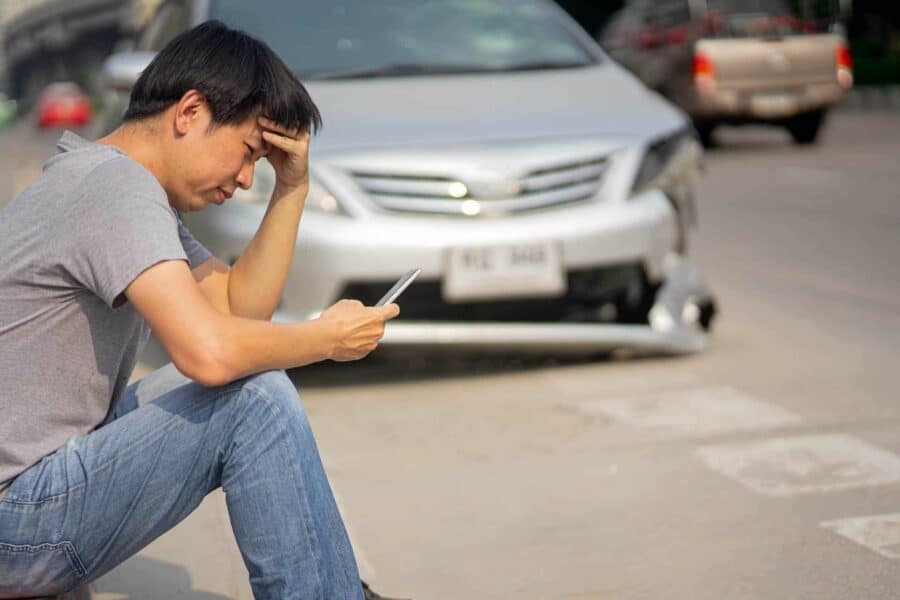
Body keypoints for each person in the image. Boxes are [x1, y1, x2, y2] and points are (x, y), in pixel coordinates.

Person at [0, 21, 404, 600]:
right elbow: (209, 355)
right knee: (254, 401)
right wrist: (325, 338)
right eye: (246, 153)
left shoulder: (112, 182)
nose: (244, 180)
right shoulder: (116, 189)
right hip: (17, 522)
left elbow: (239, 309)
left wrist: (292, 189)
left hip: (27, 495)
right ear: (189, 112)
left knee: (250, 378)